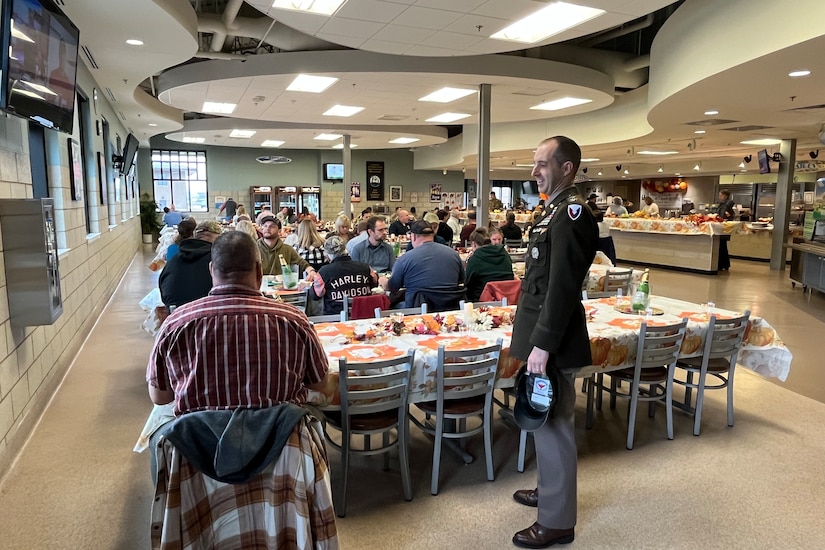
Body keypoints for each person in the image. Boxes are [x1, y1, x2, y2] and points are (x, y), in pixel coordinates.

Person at [510, 136, 598, 549]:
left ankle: (558, 521)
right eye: (534, 163)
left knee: (556, 425)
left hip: (554, 340)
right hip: (541, 336)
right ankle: (548, 490)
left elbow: (562, 287)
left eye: (542, 163)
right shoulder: (551, 210)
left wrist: (542, 346)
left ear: (567, 168)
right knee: (542, 422)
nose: (534, 171)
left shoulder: (573, 214)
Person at [147, 230, 329, 416]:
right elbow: (320, 383)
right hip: (280, 439)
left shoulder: (176, 324)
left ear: (211, 270)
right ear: (259, 271)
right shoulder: (294, 321)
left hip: (201, 442)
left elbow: (160, 397)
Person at [383, 219, 464, 308]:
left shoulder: (405, 259)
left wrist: (384, 282)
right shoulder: (453, 254)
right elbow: (461, 280)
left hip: (418, 308)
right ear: (433, 234)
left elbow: (393, 287)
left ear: (413, 237)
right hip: (449, 307)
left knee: (391, 306)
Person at [159, 221, 222, 308]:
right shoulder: (218, 260)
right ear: (216, 238)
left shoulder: (172, 261)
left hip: (175, 314)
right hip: (205, 314)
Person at [312, 236, 378, 315]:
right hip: (363, 316)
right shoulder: (366, 267)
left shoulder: (324, 272)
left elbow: (315, 295)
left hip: (335, 319)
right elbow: (375, 282)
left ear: (328, 255)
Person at [256, 216, 317, 280]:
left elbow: (302, 263)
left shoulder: (287, 249)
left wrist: (311, 271)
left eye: (272, 226)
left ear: (279, 231)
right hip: (259, 285)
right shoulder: (254, 249)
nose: (267, 229)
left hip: (281, 286)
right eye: (265, 226)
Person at [464, 228, 514, 302]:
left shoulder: (475, 259)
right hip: (506, 299)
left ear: (474, 244)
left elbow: (468, 285)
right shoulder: (504, 254)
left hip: (482, 301)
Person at [714, 190, 735, 271]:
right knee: (723, 247)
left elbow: (722, 216)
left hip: (722, 229)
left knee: (721, 247)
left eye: (720, 195)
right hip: (724, 229)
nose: (719, 197)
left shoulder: (725, 206)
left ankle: (721, 264)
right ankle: (725, 264)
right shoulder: (724, 205)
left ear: (725, 196)